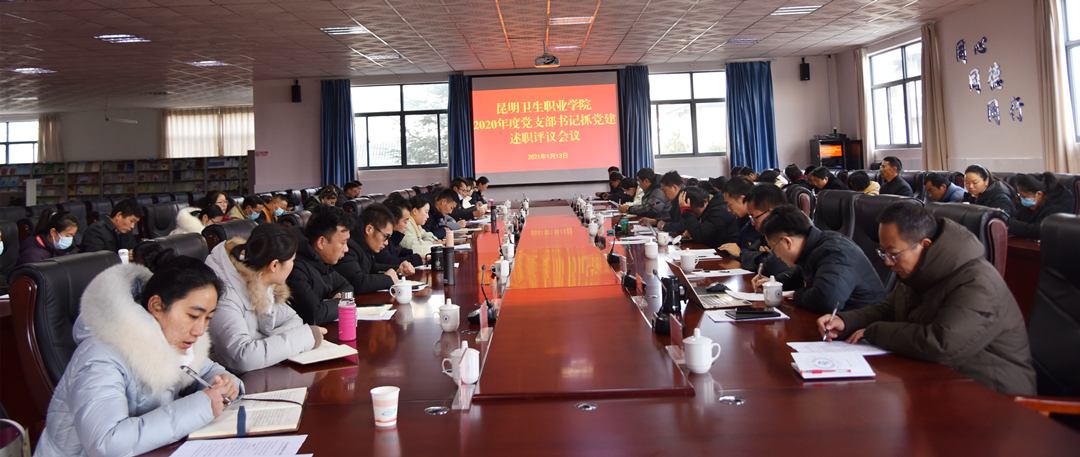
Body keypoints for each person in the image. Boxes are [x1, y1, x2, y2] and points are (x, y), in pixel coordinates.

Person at [819, 202, 1036, 395]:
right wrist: (846, 321)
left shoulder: (977, 282)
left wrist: (873, 332)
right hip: (943, 382)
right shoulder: (918, 271)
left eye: (893, 254)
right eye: (883, 253)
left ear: (925, 245)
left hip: (995, 396)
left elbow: (941, 344)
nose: (887, 262)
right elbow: (888, 309)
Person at [35, 255, 241, 457]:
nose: (200, 330)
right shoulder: (100, 355)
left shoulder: (174, 339)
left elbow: (206, 369)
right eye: (193, 316)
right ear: (156, 305)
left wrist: (225, 382)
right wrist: (202, 406)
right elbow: (106, 444)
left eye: (208, 318)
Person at [205, 223, 326, 373]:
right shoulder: (226, 296)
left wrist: (267, 345)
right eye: (292, 260)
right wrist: (305, 337)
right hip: (229, 380)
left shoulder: (262, 282)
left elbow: (293, 319)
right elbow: (243, 357)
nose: (293, 265)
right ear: (274, 265)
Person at [754, 205, 885, 314]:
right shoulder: (816, 245)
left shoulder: (833, 253)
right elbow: (803, 274)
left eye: (774, 249)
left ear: (787, 242)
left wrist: (796, 295)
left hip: (863, 327)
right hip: (839, 321)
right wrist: (776, 282)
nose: (777, 255)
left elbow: (826, 301)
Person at [286, 205, 354, 325]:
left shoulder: (320, 261)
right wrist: (340, 302)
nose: (346, 249)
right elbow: (315, 315)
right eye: (343, 243)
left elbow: (346, 286)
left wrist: (331, 304)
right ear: (321, 242)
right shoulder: (295, 267)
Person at [334, 205, 412, 296]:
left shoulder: (362, 244)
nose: (386, 243)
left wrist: (398, 269)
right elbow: (358, 283)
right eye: (385, 236)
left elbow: (372, 267)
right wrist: (388, 279)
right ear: (369, 229)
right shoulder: (349, 247)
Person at [740, 184, 792, 276]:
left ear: (771, 213)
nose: (752, 223)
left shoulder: (790, 229)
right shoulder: (768, 232)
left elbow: (772, 268)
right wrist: (764, 257)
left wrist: (764, 259)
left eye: (753, 217)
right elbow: (745, 256)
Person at [1008, 172, 1076, 239]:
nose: (1022, 199)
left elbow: (1039, 230)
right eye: (1020, 195)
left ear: (1039, 194)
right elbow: (1017, 217)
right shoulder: (1031, 201)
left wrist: (1010, 224)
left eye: (1023, 196)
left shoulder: (1059, 204)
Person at [374, 197, 423, 268]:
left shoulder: (394, 238)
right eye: (405, 222)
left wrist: (418, 254)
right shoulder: (380, 239)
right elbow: (387, 261)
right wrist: (415, 259)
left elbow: (400, 251)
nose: (407, 226)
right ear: (393, 220)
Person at [718, 177, 758, 258]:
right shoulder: (742, 218)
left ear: (742, 199)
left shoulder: (760, 220)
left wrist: (741, 253)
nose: (729, 210)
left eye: (730, 205)